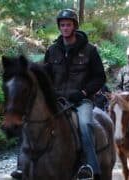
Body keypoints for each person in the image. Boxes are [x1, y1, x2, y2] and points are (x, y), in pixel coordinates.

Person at [43, 9, 106, 179]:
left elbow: (100, 77)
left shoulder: (90, 50)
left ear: (75, 26)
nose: (65, 28)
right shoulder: (52, 50)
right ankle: (25, 163)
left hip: (81, 100)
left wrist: (84, 92)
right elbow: (46, 77)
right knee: (34, 121)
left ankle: (89, 166)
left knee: (85, 125)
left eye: (68, 25)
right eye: (62, 25)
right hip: (57, 100)